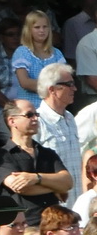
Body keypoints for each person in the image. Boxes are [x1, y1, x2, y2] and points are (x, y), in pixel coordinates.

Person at [0, 100, 71, 225]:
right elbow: (21, 187)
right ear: (12, 121)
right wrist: (54, 187)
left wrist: (36, 178)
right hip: (26, 225)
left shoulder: (47, 153)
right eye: (29, 115)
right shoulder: (3, 155)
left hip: (53, 224)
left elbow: (68, 182)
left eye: (36, 114)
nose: (35, 118)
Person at [35, 63, 81, 203]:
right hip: (54, 203)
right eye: (69, 84)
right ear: (52, 89)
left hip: (77, 199)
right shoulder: (37, 121)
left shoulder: (70, 118)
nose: (75, 88)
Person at [11, 10, 64, 107]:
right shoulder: (22, 52)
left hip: (54, 108)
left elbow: (64, 80)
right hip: (30, 108)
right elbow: (25, 82)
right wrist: (54, 86)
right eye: (37, 27)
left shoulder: (57, 53)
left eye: (45, 27)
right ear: (29, 30)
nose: (42, 30)